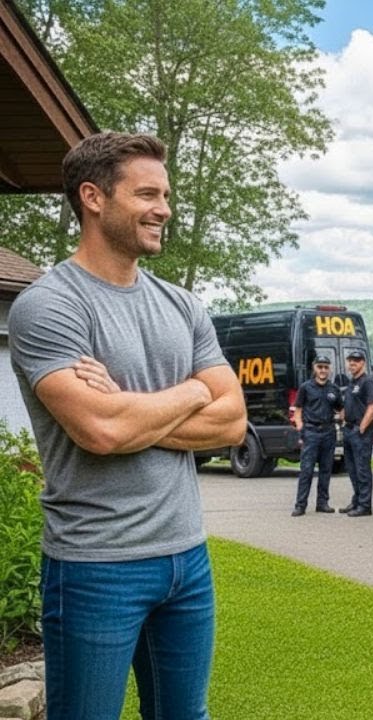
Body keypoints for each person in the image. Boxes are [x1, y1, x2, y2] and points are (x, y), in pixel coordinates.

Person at [8, 132, 247, 720]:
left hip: (187, 557)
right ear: (93, 197)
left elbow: (234, 421)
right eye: (147, 194)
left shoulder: (181, 304)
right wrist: (194, 392)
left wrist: (127, 406)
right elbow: (102, 432)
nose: (164, 209)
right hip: (95, 565)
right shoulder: (50, 306)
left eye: (165, 195)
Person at [289, 355, 343, 516]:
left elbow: (341, 409)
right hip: (311, 432)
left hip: (328, 432)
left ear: (330, 369)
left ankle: (322, 503)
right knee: (306, 470)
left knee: (326, 470)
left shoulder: (334, 389)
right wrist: (301, 430)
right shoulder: (306, 387)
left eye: (326, 367)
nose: (323, 370)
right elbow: (297, 410)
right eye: (320, 367)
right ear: (314, 368)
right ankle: (300, 505)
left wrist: (344, 422)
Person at [340, 347, 373, 516]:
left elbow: (372, 406)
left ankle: (364, 505)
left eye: (356, 361)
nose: (352, 363)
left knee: (362, 469)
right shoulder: (352, 382)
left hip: (360, 432)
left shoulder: (367, 381)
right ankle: (356, 501)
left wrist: (362, 427)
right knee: (352, 469)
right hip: (348, 429)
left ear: (363, 363)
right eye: (350, 361)